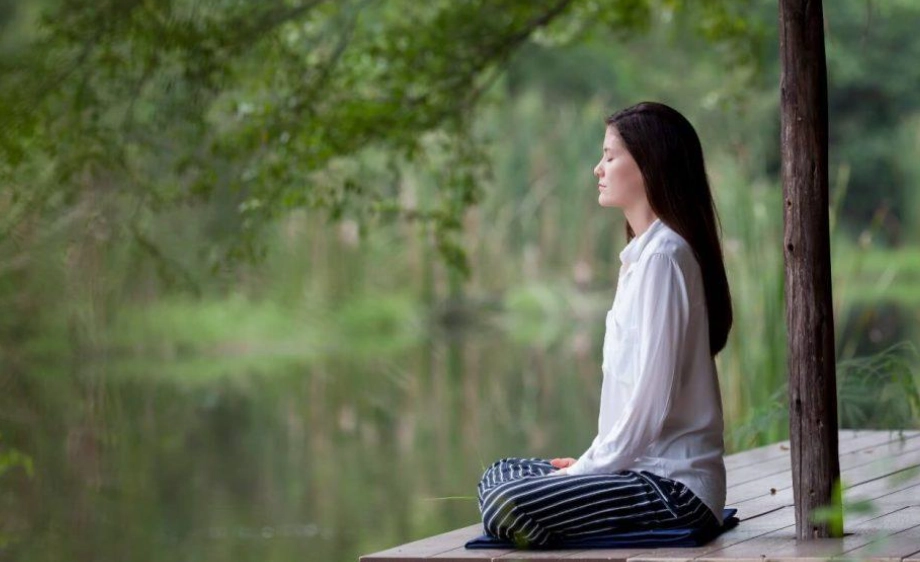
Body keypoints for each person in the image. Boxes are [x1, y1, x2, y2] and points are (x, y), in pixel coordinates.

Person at [476, 101, 734, 548]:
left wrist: (586, 471)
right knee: (500, 473)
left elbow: (648, 407)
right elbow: (633, 407)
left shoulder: (664, 258)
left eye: (610, 156)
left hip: (674, 492)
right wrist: (590, 464)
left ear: (649, 165)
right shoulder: (640, 257)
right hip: (637, 473)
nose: (598, 168)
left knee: (507, 500)